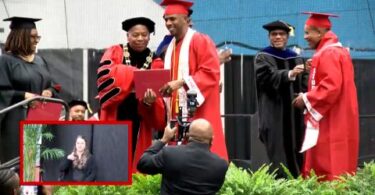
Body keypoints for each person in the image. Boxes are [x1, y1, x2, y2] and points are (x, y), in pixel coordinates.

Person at [293, 12, 359, 181]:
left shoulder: (328, 54)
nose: (305, 37)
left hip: (331, 119)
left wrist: (306, 98)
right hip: (340, 116)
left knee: (328, 166)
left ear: (320, 33)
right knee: (341, 165)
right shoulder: (337, 51)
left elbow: (331, 87)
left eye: (308, 32)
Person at [158, 0, 228, 160]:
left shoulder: (200, 40)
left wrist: (181, 82)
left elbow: (211, 73)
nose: (168, 23)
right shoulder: (171, 47)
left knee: (202, 157)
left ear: (187, 20)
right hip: (177, 112)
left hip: (199, 109)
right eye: (166, 19)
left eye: (173, 18)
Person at [96, 17, 166, 172]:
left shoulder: (156, 61)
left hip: (140, 117)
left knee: (136, 162)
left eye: (144, 35)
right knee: (112, 162)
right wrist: (135, 74)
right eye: (135, 35)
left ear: (149, 36)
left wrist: (149, 101)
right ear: (128, 36)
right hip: (116, 111)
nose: (140, 38)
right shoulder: (115, 51)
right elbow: (105, 75)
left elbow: (158, 95)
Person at [0, 17, 59, 163]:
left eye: (37, 36)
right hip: (15, 120)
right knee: (20, 165)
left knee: (36, 165)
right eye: (32, 37)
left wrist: (49, 91)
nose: (36, 40)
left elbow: (53, 84)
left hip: (39, 118)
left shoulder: (40, 60)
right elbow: (2, 91)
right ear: (20, 37)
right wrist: (23, 95)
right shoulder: (6, 61)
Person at [254, 20, 308, 178]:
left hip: (295, 115)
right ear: (269, 37)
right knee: (279, 155)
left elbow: (304, 84)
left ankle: (298, 185)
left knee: (298, 151)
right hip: (274, 114)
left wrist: (309, 71)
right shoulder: (262, 57)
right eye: (274, 34)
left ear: (287, 37)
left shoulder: (296, 58)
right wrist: (290, 74)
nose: (277, 37)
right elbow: (266, 78)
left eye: (281, 34)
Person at [137, 119, 228, 195]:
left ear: (187, 136)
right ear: (211, 140)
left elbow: (143, 164)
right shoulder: (221, 166)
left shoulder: (170, 154)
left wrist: (163, 140)